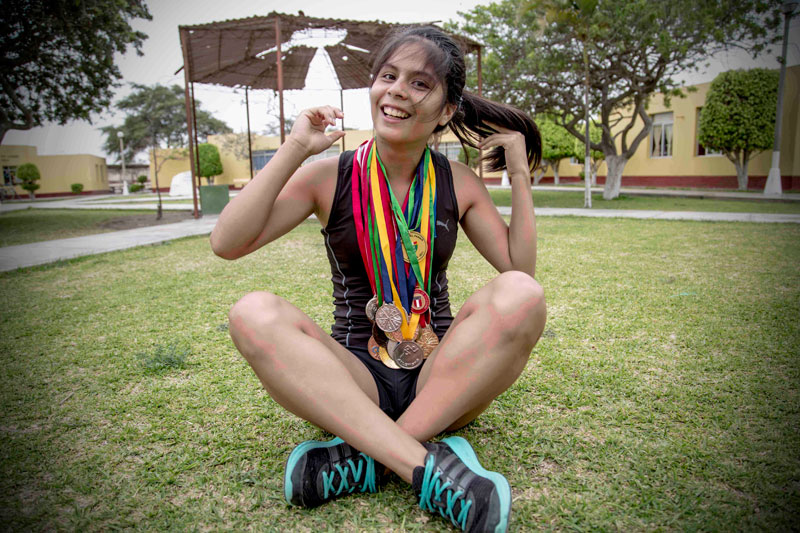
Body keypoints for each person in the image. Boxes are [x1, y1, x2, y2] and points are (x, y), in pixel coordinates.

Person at [210, 25, 546, 533]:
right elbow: (227, 243)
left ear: (446, 109)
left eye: (419, 83)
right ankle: (418, 465)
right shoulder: (330, 176)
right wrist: (296, 147)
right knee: (251, 312)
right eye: (388, 76)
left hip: (443, 381)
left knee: (523, 294)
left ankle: (365, 456)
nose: (397, 91)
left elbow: (518, 269)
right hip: (353, 386)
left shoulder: (457, 182)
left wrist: (519, 174)